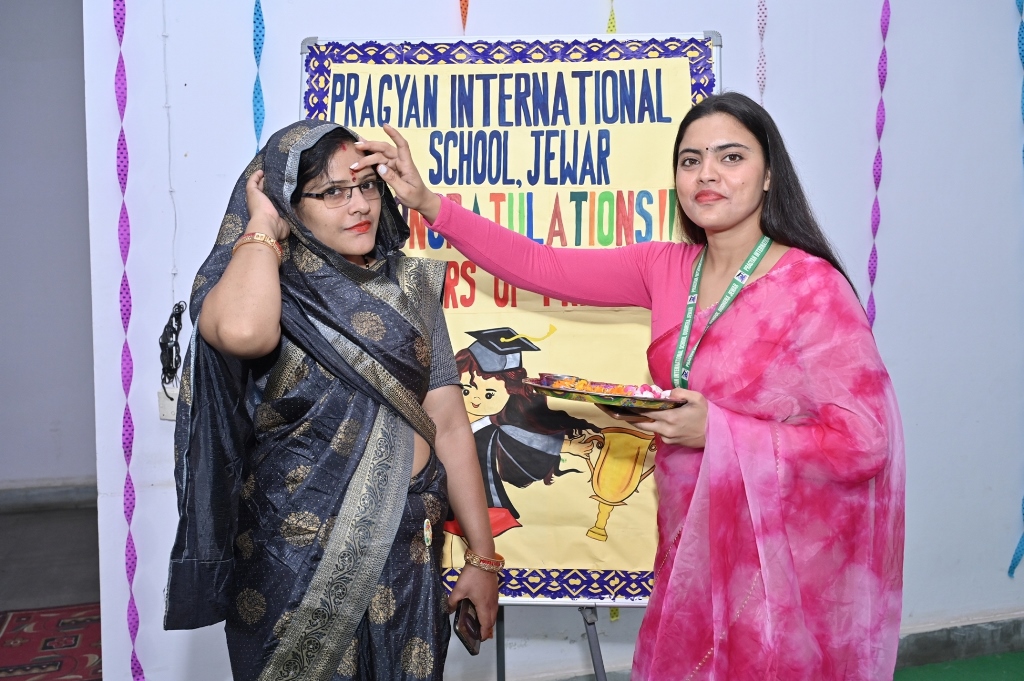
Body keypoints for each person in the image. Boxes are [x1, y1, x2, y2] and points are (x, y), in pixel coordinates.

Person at [354, 92, 905, 679]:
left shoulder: (812, 288)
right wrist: (427, 203)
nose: (707, 174)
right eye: (690, 160)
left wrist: (717, 430)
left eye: (731, 157)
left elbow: (864, 442)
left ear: (769, 175)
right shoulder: (668, 267)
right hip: (690, 538)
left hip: (779, 555)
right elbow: (542, 267)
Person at [163, 120, 500, 681]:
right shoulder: (264, 285)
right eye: (332, 192)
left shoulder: (410, 289)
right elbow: (243, 333)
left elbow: (448, 422)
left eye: (367, 185)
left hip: (405, 556)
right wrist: (263, 226)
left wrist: (483, 558)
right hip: (295, 563)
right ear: (289, 205)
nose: (360, 205)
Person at [444, 328, 597, 539]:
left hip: (479, 499)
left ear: (511, 394)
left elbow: (531, 440)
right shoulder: (444, 420)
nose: (475, 399)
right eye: (466, 390)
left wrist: (569, 446)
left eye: (489, 394)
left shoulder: (493, 429)